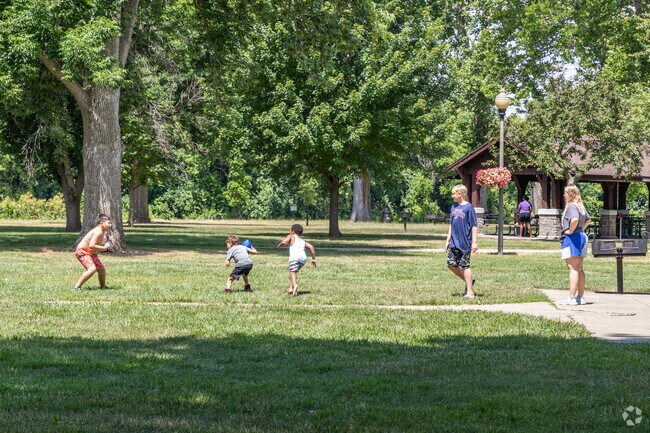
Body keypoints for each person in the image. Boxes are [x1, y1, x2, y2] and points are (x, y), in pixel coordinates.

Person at [557, 185, 591, 306]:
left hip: (573, 238)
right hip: (582, 236)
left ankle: (571, 298)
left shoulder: (571, 206)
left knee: (572, 268)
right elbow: (588, 219)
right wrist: (580, 229)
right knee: (580, 268)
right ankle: (580, 297)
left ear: (571, 194)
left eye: (566, 193)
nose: (564, 195)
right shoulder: (580, 206)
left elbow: (574, 219)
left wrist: (570, 231)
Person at [444, 184, 478, 299]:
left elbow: (474, 225)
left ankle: (470, 292)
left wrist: (474, 242)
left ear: (460, 194)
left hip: (465, 242)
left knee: (464, 265)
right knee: (451, 264)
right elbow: (451, 224)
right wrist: (448, 239)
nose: (452, 195)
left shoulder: (469, 208)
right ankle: (469, 281)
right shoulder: (453, 207)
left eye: (454, 193)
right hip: (454, 242)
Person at [73, 214, 113, 290]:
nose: (110, 225)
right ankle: (76, 287)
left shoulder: (102, 231)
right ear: (101, 223)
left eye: (111, 223)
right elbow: (91, 245)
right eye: (109, 223)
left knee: (101, 270)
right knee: (92, 269)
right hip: (83, 252)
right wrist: (104, 248)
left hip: (91, 253)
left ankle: (103, 287)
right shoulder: (98, 232)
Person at [277, 224, 316, 296]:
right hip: (303, 259)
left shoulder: (291, 236)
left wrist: (280, 244)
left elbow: (284, 242)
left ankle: (295, 285)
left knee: (293, 272)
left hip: (295, 258)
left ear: (292, 231)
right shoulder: (302, 241)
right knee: (293, 271)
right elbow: (311, 247)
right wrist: (314, 259)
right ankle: (291, 288)